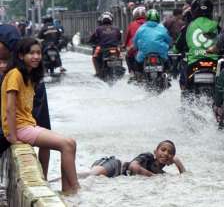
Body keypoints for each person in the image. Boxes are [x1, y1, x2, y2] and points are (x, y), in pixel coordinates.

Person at [1, 37, 79, 194]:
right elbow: (9, 108)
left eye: (38, 53)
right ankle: (76, 187)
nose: (36, 56)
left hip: (28, 125)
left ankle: (67, 190)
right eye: (31, 53)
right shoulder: (15, 75)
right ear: (21, 56)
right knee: (66, 145)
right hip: (21, 127)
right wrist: (13, 137)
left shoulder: (29, 76)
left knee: (70, 143)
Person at [0, 24, 52, 179]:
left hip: (18, 125)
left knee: (46, 136)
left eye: (3, 59)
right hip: (16, 126)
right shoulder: (15, 73)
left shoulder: (19, 75)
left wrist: (14, 136)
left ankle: (43, 178)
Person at [51, 140, 185, 180]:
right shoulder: (148, 156)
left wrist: (178, 163)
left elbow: (185, 178)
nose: (166, 153)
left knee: (92, 182)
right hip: (115, 165)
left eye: (170, 153)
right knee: (90, 175)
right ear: (156, 151)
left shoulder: (161, 174)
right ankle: (54, 180)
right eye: (163, 149)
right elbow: (133, 167)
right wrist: (154, 177)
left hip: (116, 177)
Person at [176, 0, 219, 90]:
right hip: (214, 63)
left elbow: (179, 45)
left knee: (186, 88)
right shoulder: (217, 26)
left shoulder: (188, 27)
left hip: (194, 63)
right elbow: (223, 43)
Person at [89, 11, 122, 76]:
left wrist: (91, 42)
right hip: (115, 48)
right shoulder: (116, 28)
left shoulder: (98, 29)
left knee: (94, 57)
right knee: (120, 56)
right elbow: (119, 38)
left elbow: (93, 38)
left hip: (103, 48)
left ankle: (98, 72)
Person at [123, 6, 146, 75]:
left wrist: (125, 45)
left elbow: (127, 38)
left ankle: (131, 72)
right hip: (148, 48)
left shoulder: (132, 25)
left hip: (134, 48)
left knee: (127, 55)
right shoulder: (150, 24)